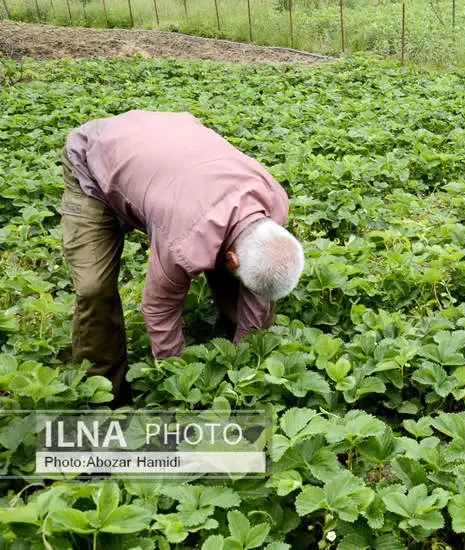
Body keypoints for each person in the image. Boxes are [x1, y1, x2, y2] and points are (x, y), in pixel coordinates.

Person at [61, 110, 305, 405]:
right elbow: (159, 310)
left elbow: (259, 275)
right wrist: (179, 380)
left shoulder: (273, 200)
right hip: (95, 160)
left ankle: (243, 359)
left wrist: (243, 356)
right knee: (93, 288)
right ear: (232, 257)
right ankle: (102, 394)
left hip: (168, 155)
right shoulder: (183, 242)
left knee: (250, 274)